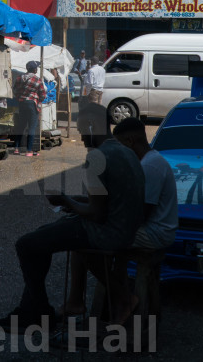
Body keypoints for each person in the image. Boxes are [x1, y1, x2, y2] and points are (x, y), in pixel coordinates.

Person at [0, 114, 145, 335]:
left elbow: (96, 213)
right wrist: (71, 200)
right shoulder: (126, 153)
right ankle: (31, 309)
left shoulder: (98, 157)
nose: (81, 139)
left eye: (83, 133)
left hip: (106, 233)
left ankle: (38, 314)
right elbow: (107, 201)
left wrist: (65, 201)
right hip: (125, 229)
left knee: (26, 245)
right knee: (40, 237)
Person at [64, 117, 178, 322]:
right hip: (148, 227)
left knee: (85, 240)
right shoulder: (146, 162)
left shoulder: (150, 167)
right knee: (88, 234)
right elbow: (123, 203)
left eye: (120, 145)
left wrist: (98, 215)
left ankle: (113, 299)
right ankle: (103, 299)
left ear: (131, 141)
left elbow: (140, 213)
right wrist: (84, 202)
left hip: (155, 232)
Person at [12, 60, 47, 156]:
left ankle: (16, 148)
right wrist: (38, 99)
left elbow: (14, 90)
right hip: (32, 104)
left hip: (22, 103)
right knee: (32, 127)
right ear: (35, 69)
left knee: (21, 126)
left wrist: (20, 97)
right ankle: (29, 150)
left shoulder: (19, 78)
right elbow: (43, 95)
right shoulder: (37, 79)